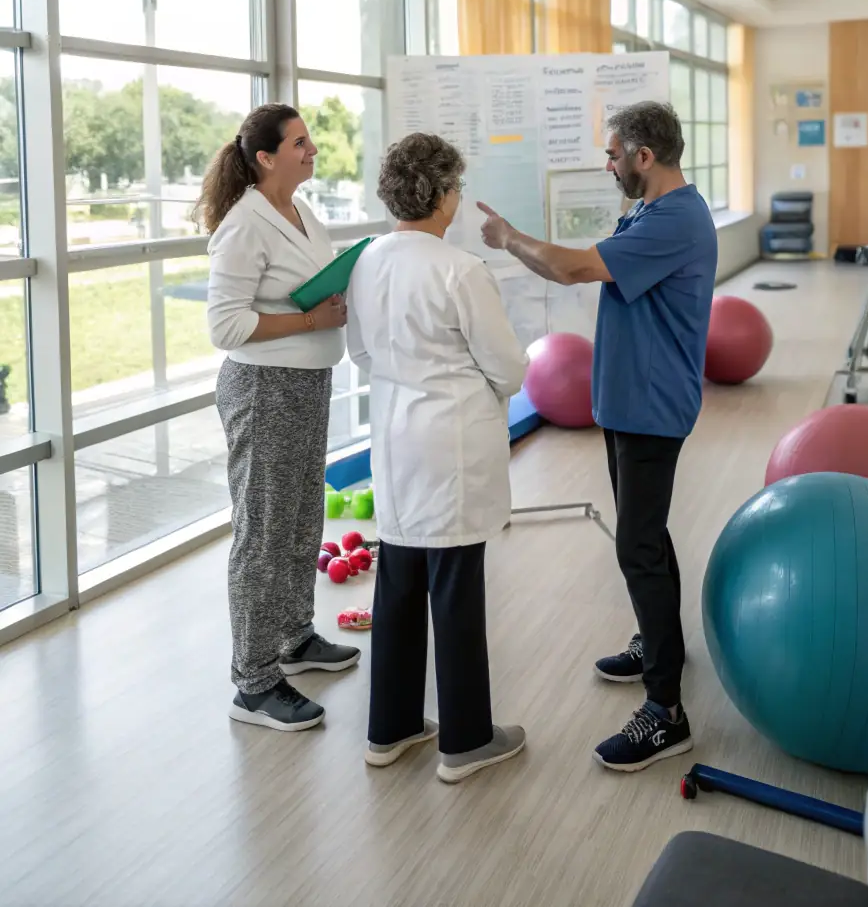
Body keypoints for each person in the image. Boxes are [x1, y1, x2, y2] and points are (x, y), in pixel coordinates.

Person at [478, 100, 717, 773]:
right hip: (628, 400)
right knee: (647, 532)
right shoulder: (647, 211)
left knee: (637, 542)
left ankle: (665, 711)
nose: (607, 164)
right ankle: (659, 642)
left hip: (650, 405)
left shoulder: (675, 218)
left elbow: (575, 268)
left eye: (613, 153)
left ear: (645, 155)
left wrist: (511, 237)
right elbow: (588, 271)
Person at [346, 132, 528, 784]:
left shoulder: (366, 259)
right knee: (454, 586)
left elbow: (361, 352)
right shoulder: (460, 270)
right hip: (450, 440)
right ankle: (466, 739)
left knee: (397, 579)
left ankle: (388, 729)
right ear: (443, 194)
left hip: (394, 437)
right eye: (455, 186)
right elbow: (507, 366)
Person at [199, 102, 360, 733]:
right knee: (263, 532)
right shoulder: (244, 224)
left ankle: (293, 636)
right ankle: (254, 682)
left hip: (305, 386)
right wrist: (312, 321)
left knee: (300, 517)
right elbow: (226, 324)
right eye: (300, 143)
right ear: (265, 157)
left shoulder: (298, 211)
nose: (312, 150)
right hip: (263, 390)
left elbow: (309, 282)